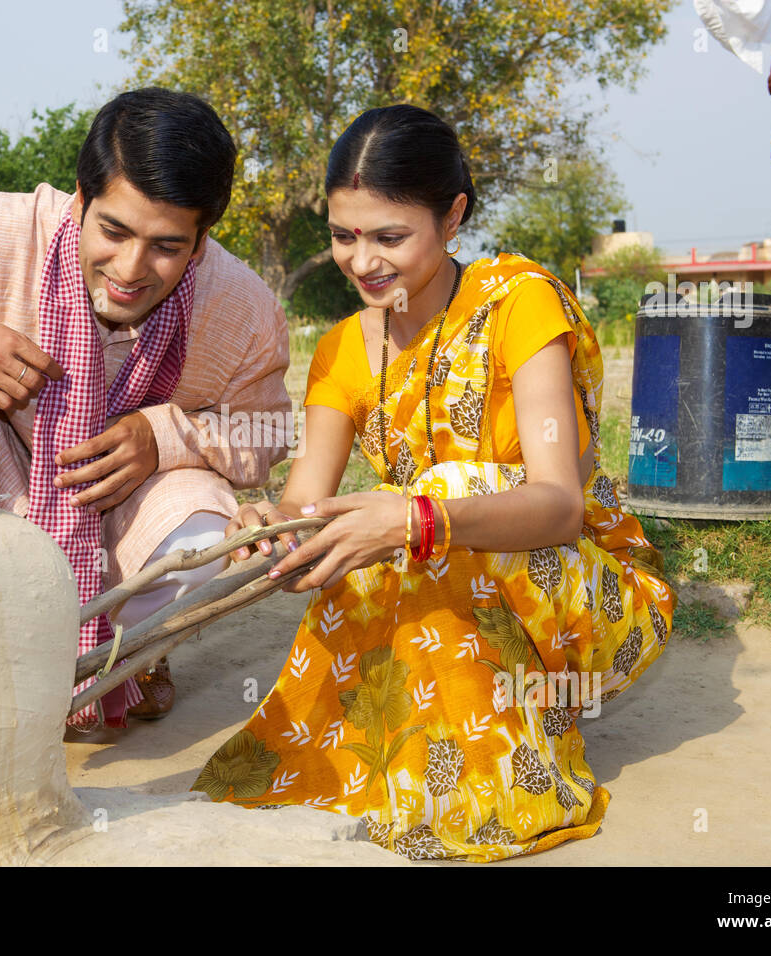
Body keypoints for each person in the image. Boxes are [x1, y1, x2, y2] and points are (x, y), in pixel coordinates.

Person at [192, 104, 676, 861]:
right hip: (451, 574)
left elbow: (557, 505)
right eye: (344, 236)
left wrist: (416, 520)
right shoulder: (343, 349)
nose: (362, 262)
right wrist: (270, 529)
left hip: (584, 595)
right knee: (366, 533)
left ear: (453, 217)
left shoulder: (519, 303)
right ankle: (426, 759)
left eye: (390, 237)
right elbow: (306, 501)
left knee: (429, 501)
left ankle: (493, 780)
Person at [0, 88, 292, 729]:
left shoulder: (242, 307)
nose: (130, 269)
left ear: (201, 239)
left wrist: (166, 435)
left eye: (166, 245)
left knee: (210, 540)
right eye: (113, 230)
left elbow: (266, 433)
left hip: (125, 512)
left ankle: (128, 657)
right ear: (80, 198)